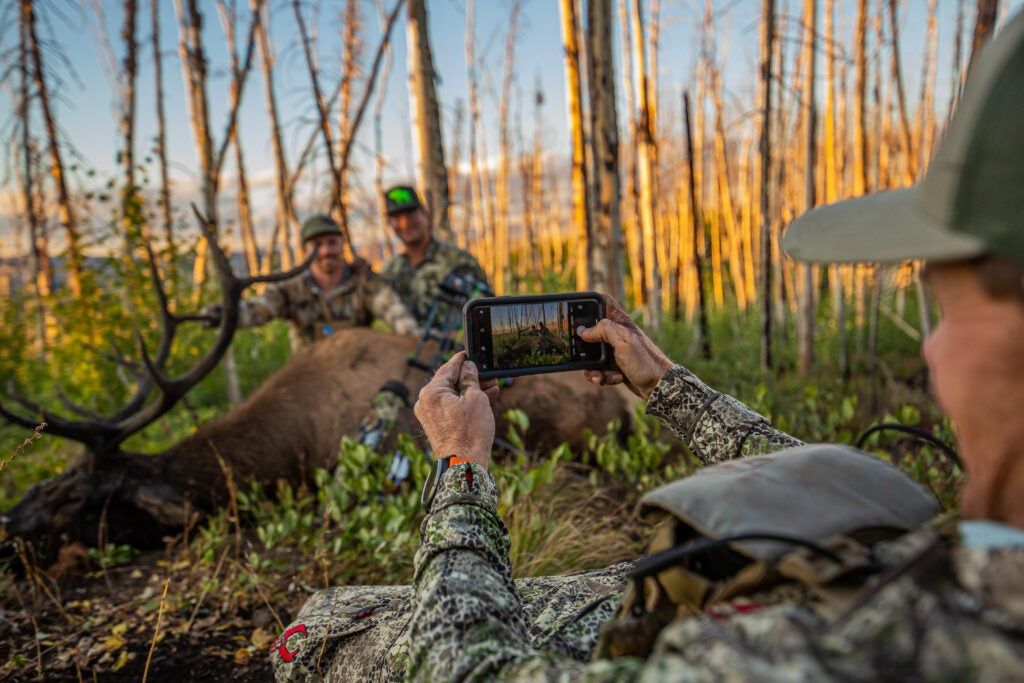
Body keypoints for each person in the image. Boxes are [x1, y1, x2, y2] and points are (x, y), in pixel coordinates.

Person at [272, 14, 1024, 683]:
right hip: (775, 578)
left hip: (714, 613)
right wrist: (665, 383)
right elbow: (827, 485)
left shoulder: (797, 659)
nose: (930, 350)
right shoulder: (982, 569)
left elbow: (468, 669)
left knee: (312, 637)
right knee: (337, 608)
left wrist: (462, 470)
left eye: (951, 308)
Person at [203, 214, 418, 347]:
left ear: (341, 244)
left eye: (331, 242)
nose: (325, 251)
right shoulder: (290, 288)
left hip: (357, 378)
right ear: (305, 250)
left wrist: (418, 341)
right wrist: (222, 316)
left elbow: (395, 313)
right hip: (307, 383)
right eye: (316, 245)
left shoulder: (366, 283)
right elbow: (258, 309)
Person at [379, 185, 489, 326]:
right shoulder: (389, 271)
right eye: (397, 217)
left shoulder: (458, 260)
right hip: (405, 347)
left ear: (425, 214)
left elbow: (485, 313)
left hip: (456, 347)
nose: (405, 223)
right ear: (389, 223)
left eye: (411, 214)